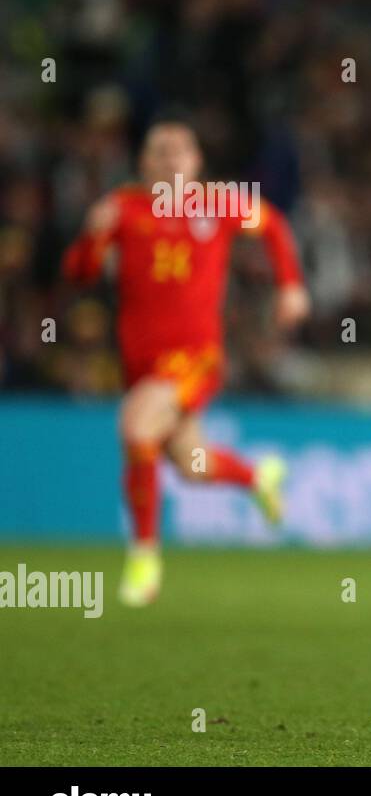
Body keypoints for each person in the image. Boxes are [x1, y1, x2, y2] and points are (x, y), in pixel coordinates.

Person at [62, 120, 310, 606]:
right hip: (141, 363)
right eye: (160, 152)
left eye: (181, 151)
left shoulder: (217, 204)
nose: (171, 159)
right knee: (190, 464)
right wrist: (92, 237)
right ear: (144, 164)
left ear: (196, 163)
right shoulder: (122, 209)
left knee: (136, 427)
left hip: (195, 357)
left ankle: (144, 560)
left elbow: (275, 226)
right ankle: (259, 477)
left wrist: (290, 285)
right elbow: (80, 275)